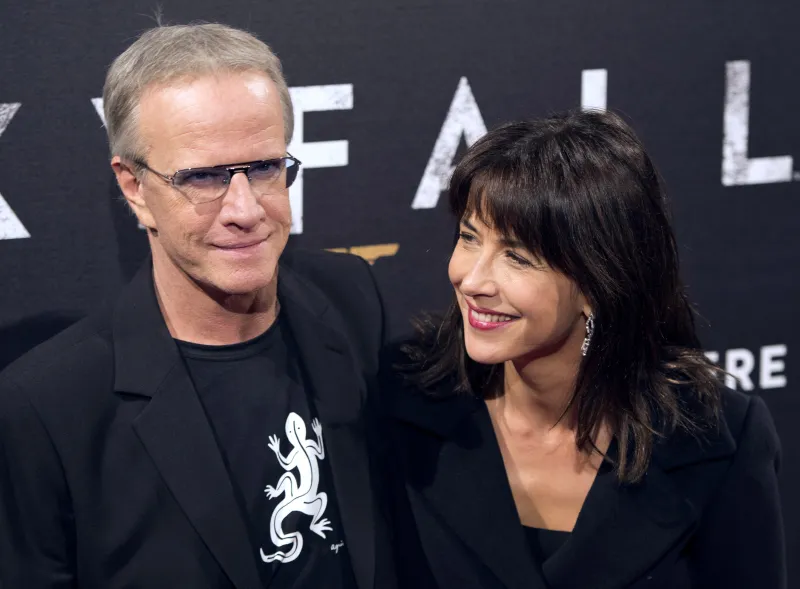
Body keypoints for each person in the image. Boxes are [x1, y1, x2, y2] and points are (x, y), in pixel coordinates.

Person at [0, 23, 394, 589]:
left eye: (263, 168)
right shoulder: (47, 408)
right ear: (134, 187)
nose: (245, 209)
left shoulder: (351, 298)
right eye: (203, 177)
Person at [383, 110, 786, 589]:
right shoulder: (400, 400)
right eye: (470, 237)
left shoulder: (717, 439)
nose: (471, 279)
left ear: (599, 281)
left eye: (517, 256)